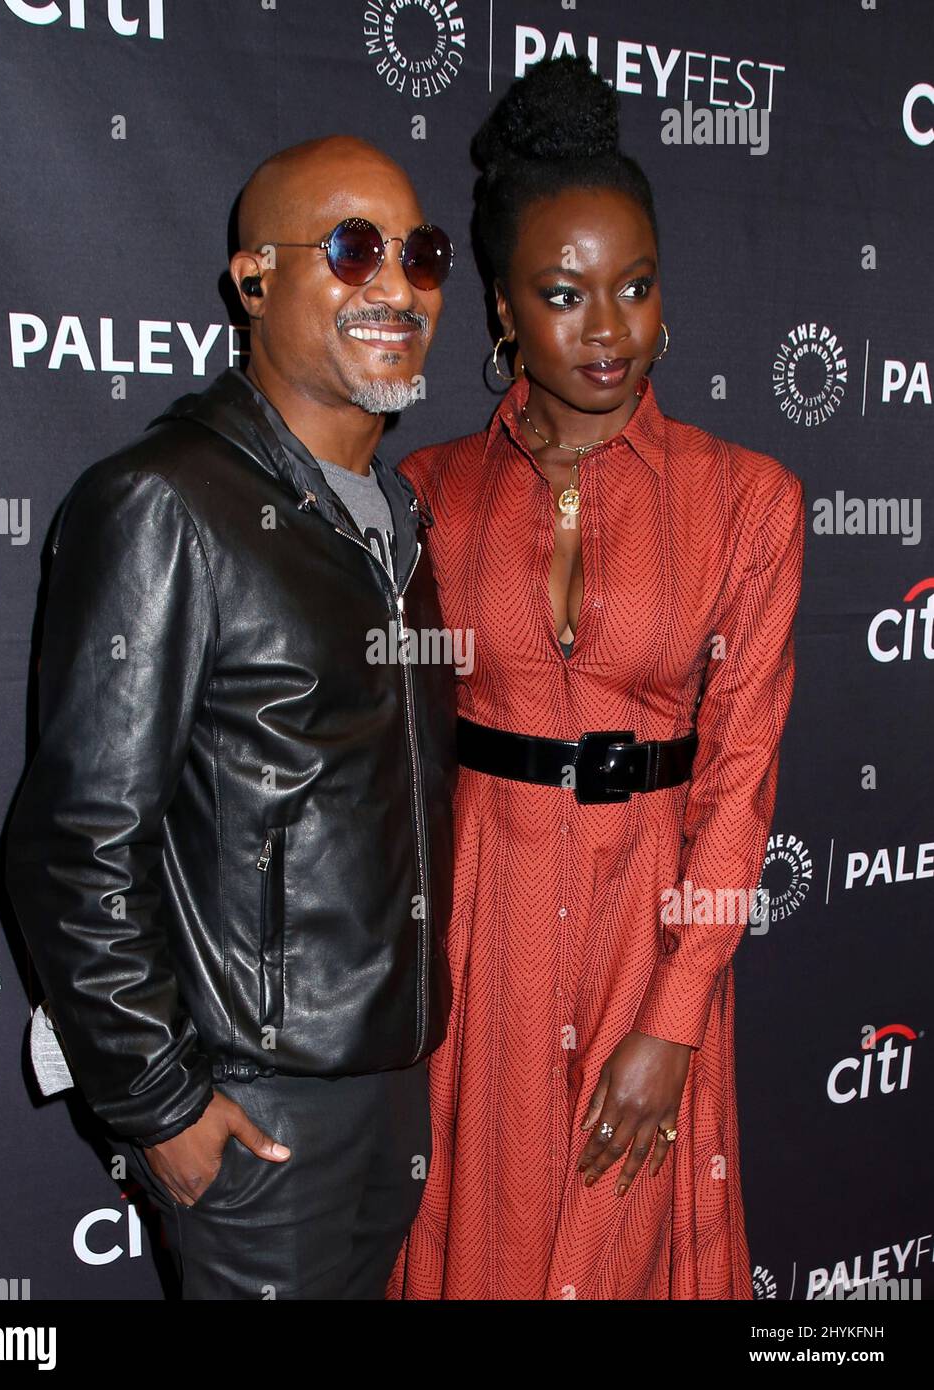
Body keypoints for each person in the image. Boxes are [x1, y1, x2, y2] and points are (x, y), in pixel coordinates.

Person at [5, 134, 458, 1300]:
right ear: (254, 279)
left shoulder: (399, 521)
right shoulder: (162, 503)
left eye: (423, 254)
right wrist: (161, 1102)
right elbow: (74, 840)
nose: (397, 286)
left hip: (391, 1077)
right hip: (253, 1109)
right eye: (353, 249)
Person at [387, 57, 806, 1300]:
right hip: (487, 942)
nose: (610, 327)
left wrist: (675, 1016)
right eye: (564, 294)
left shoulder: (749, 502)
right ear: (505, 313)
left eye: (635, 286)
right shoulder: (426, 498)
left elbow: (740, 785)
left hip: (654, 924)